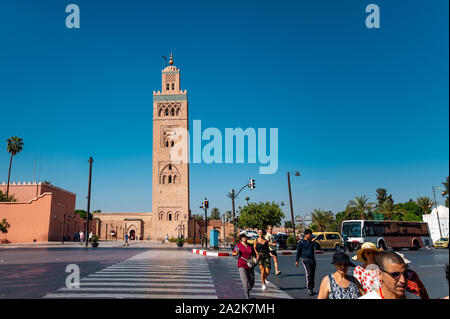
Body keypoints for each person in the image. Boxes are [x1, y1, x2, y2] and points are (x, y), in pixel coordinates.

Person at [295, 229, 320, 295]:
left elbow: (317, 247)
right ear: (306, 235)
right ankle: (309, 289)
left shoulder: (311, 242)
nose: (310, 235)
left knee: (312, 275)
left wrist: (314, 242)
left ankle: (311, 288)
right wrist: (297, 261)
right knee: (309, 274)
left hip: (312, 260)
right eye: (309, 234)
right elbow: (298, 252)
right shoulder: (301, 242)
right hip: (305, 260)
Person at [232, 232, 256, 299]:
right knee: (245, 281)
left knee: (252, 281)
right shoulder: (238, 245)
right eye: (243, 237)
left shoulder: (250, 246)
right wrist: (236, 253)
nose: (244, 238)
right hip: (241, 264)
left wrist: (256, 258)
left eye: (245, 237)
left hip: (250, 265)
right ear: (241, 238)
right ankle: (247, 296)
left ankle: (247, 290)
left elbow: (254, 254)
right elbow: (233, 253)